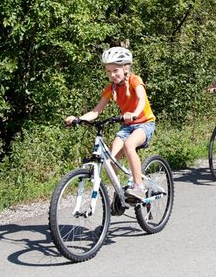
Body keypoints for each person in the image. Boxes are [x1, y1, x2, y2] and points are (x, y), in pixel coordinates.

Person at [65, 46, 156, 202]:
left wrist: (134, 114)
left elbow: (141, 99)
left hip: (144, 124)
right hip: (127, 126)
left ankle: (139, 187)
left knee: (129, 145)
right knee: (111, 159)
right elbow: (96, 112)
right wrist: (78, 119)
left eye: (115, 70)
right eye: (108, 71)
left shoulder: (135, 80)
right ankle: (121, 194)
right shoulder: (111, 88)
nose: (112, 75)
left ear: (126, 68)